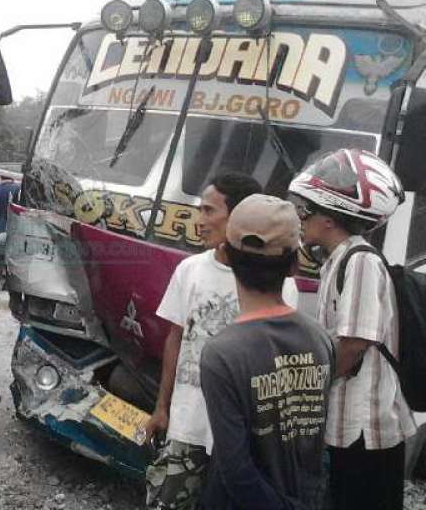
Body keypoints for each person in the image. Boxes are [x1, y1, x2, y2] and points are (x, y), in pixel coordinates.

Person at [144, 171, 299, 509]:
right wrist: (161, 407)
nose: (200, 220)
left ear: (241, 217)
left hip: (243, 439)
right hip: (188, 425)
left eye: (209, 211)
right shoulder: (190, 270)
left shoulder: (278, 283)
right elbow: (176, 338)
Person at [288, 148, 416, 510]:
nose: (301, 218)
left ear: (329, 219)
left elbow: (354, 344)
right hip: (348, 423)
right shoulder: (338, 260)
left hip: (366, 428)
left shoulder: (359, 262)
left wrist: (307, 392)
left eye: (306, 210)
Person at [199, 194, 334, 510]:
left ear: (227, 256)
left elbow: (236, 470)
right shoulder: (321, 339)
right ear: (294, 265)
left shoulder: (222, 354)